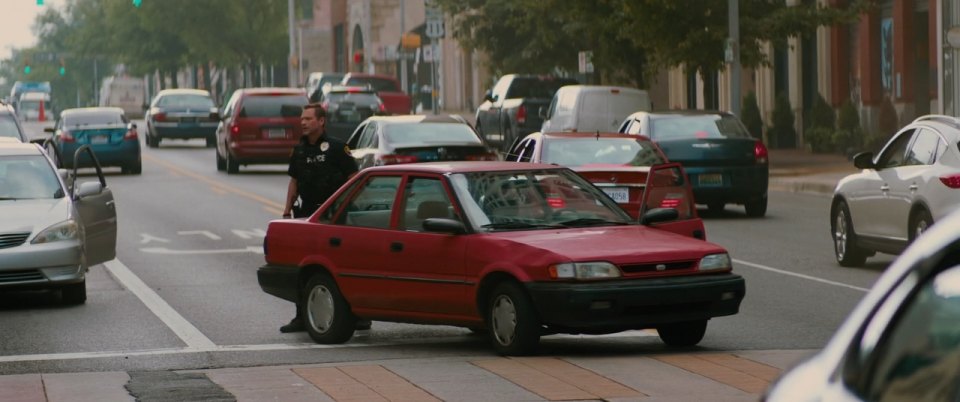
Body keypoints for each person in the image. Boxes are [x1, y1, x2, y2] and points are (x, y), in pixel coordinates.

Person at [279, 103, 362, 333]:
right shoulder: (299, 151)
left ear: (321, 121)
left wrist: (344, 207)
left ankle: (358, 315)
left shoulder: (337, 148)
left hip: (334, 217)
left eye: (308, 118)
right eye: (301, 118)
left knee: (339, 266)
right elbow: (294, 181)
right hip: (307, 215)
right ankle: (301, 316)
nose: (303, 122)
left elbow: (353, 179)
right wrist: (287, 211)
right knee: (303, 265)